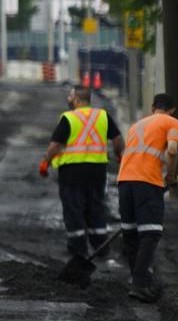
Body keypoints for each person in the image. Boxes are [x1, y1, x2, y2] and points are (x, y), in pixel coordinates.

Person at [39, 85, 124, 260]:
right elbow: (117, 139)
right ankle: (101, 247)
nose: (68, 99)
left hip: (72, 172)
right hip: (97, 171)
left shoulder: (68, 118)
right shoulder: (102, 116)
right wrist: (119, 156)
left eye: (70, 96)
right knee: (96, 206)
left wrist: (45, 161)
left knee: (73, 208)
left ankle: (79, 250)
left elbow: (56, 145)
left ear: (76, 99)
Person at [116, 93, 178, 302]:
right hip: (148, 182)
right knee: (150, 233)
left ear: (153, 107)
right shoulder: (172, 122)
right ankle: (139, 283)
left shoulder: (137, 125)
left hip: (125, 180)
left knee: (131, 233)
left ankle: (139, 279)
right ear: (171, 109)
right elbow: (171, 151)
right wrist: (170, 177)